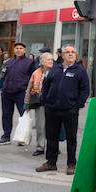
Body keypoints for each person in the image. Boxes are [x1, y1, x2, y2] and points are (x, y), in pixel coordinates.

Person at [35, 44, 88, 175]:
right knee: (51, 137)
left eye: (73, 52)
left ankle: (71, 164)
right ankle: (51, 162)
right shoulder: (55, 69)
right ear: (62, 55)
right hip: (52, 109)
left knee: (71, 138)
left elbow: (85, 90)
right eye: (67, 52)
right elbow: (46, 85)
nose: (70, 54)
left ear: (75, 55)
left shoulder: (80, 70)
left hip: (70, 110)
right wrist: (46, 101)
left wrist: (77, 105)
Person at [0, 43, 35, 146]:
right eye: (17, 48)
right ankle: (6, 136)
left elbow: (34, 77)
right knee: (6, 114)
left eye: (21, 48)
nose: (18, 50)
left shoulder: (29, 62)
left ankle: (23, 137)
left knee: (24, 115)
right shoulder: (9, 62)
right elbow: (3, 74)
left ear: (24, 50)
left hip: (21, 92)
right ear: (14, 50)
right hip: (6, 92)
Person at [25, 50, 53, 156]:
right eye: (48, 59)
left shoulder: (56, 72)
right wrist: (26, 103)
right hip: (39, 102)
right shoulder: (36, 73)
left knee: (52, 126)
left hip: (53, 103)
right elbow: (29, 88)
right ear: (42, 61)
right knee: (40, 126)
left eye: (51, 59)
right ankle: (40, 147)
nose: (51, 61)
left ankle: (52, 146)